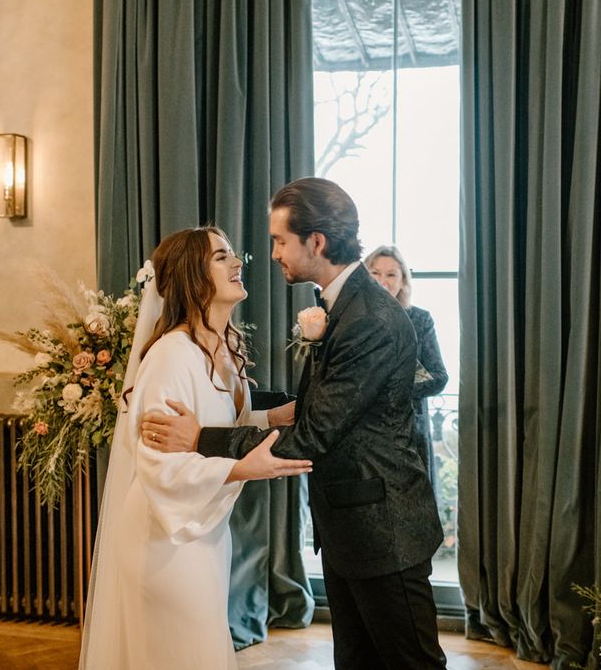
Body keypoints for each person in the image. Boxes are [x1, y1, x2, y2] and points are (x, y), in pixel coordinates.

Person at [140, 178, 447, 669]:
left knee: (411, 662)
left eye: (280, 241)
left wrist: (201, 438)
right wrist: (280, 409)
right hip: (353, 526)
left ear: (316, 242)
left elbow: (314, 436)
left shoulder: (368, 317)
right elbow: (325, 407)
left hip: (382, 531)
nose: (273, 253)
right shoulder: (345, 306)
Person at [78, 226, 312, 669]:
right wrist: (244, 468)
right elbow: (158, 465)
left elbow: (213, 427)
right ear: (192, 276)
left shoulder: (225, 349)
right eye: (221, 257)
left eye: (231, 254)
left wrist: (271, 419)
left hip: (205, 532)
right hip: (164, 538)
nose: (237, 263)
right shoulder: (171, 355)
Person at [364, 245, 448, 489]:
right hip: (364, 434)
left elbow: (439, 377)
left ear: (403, 280)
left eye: (391, 274)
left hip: (409, 433)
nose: (383, 281)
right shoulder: (351, 320)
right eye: (375, 273)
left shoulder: (420, 319)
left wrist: (391, 389)